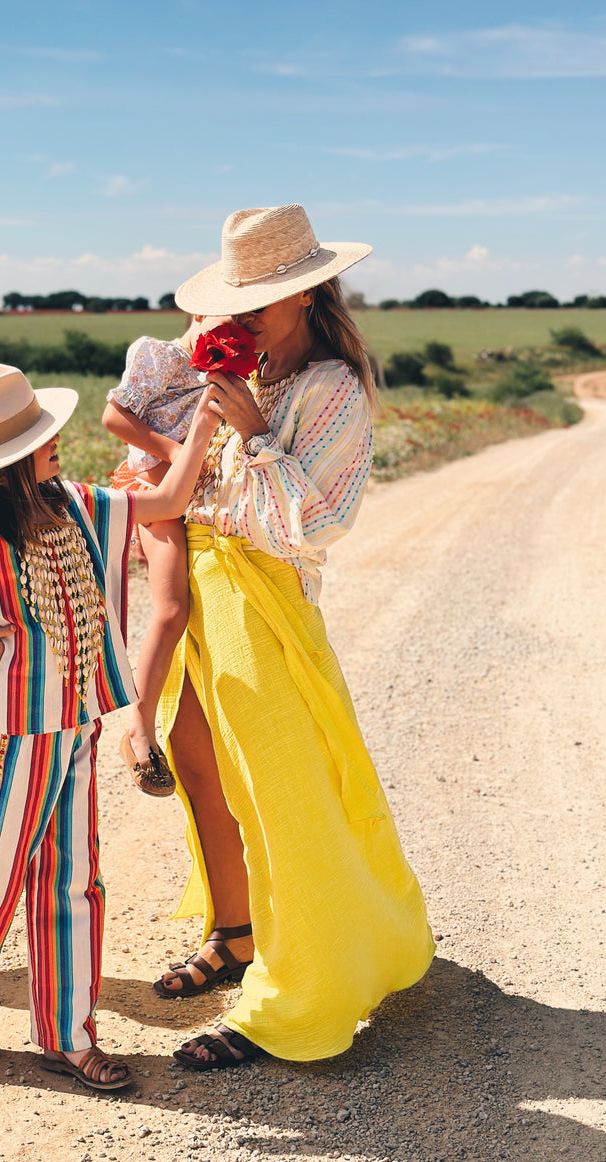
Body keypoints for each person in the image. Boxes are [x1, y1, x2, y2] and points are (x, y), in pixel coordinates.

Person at [0, 360, 218, 1086]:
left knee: (74, 878)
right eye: (37, 438)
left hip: (77, 731)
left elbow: (172, 496)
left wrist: (207, 420)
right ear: (0, 471)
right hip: (12, 738)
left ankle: (67, 1033)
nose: (56, 440)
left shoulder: (84, 505)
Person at [152, 204, 436, 1070]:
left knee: (284, 800)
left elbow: (316, 523)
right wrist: (182, 439)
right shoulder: (233, 372)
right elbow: (184, 489)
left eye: (260, 308)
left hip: (266, 607)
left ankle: (297, 990)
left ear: (310, 296)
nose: (241, 326)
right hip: (196, 595)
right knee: (198, 770)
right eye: (233, 309)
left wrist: (251, 435)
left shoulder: (331, 391)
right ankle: (235, 933)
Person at [102, 314, 226, 797]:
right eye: (222, 313)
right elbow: (115, 416)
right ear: (197, 312)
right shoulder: (157, 353)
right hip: (154, 492)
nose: (233, 322)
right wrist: (176, 453)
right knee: (172, 609)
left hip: (197, 498)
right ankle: (138, 729)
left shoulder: (231, 369)